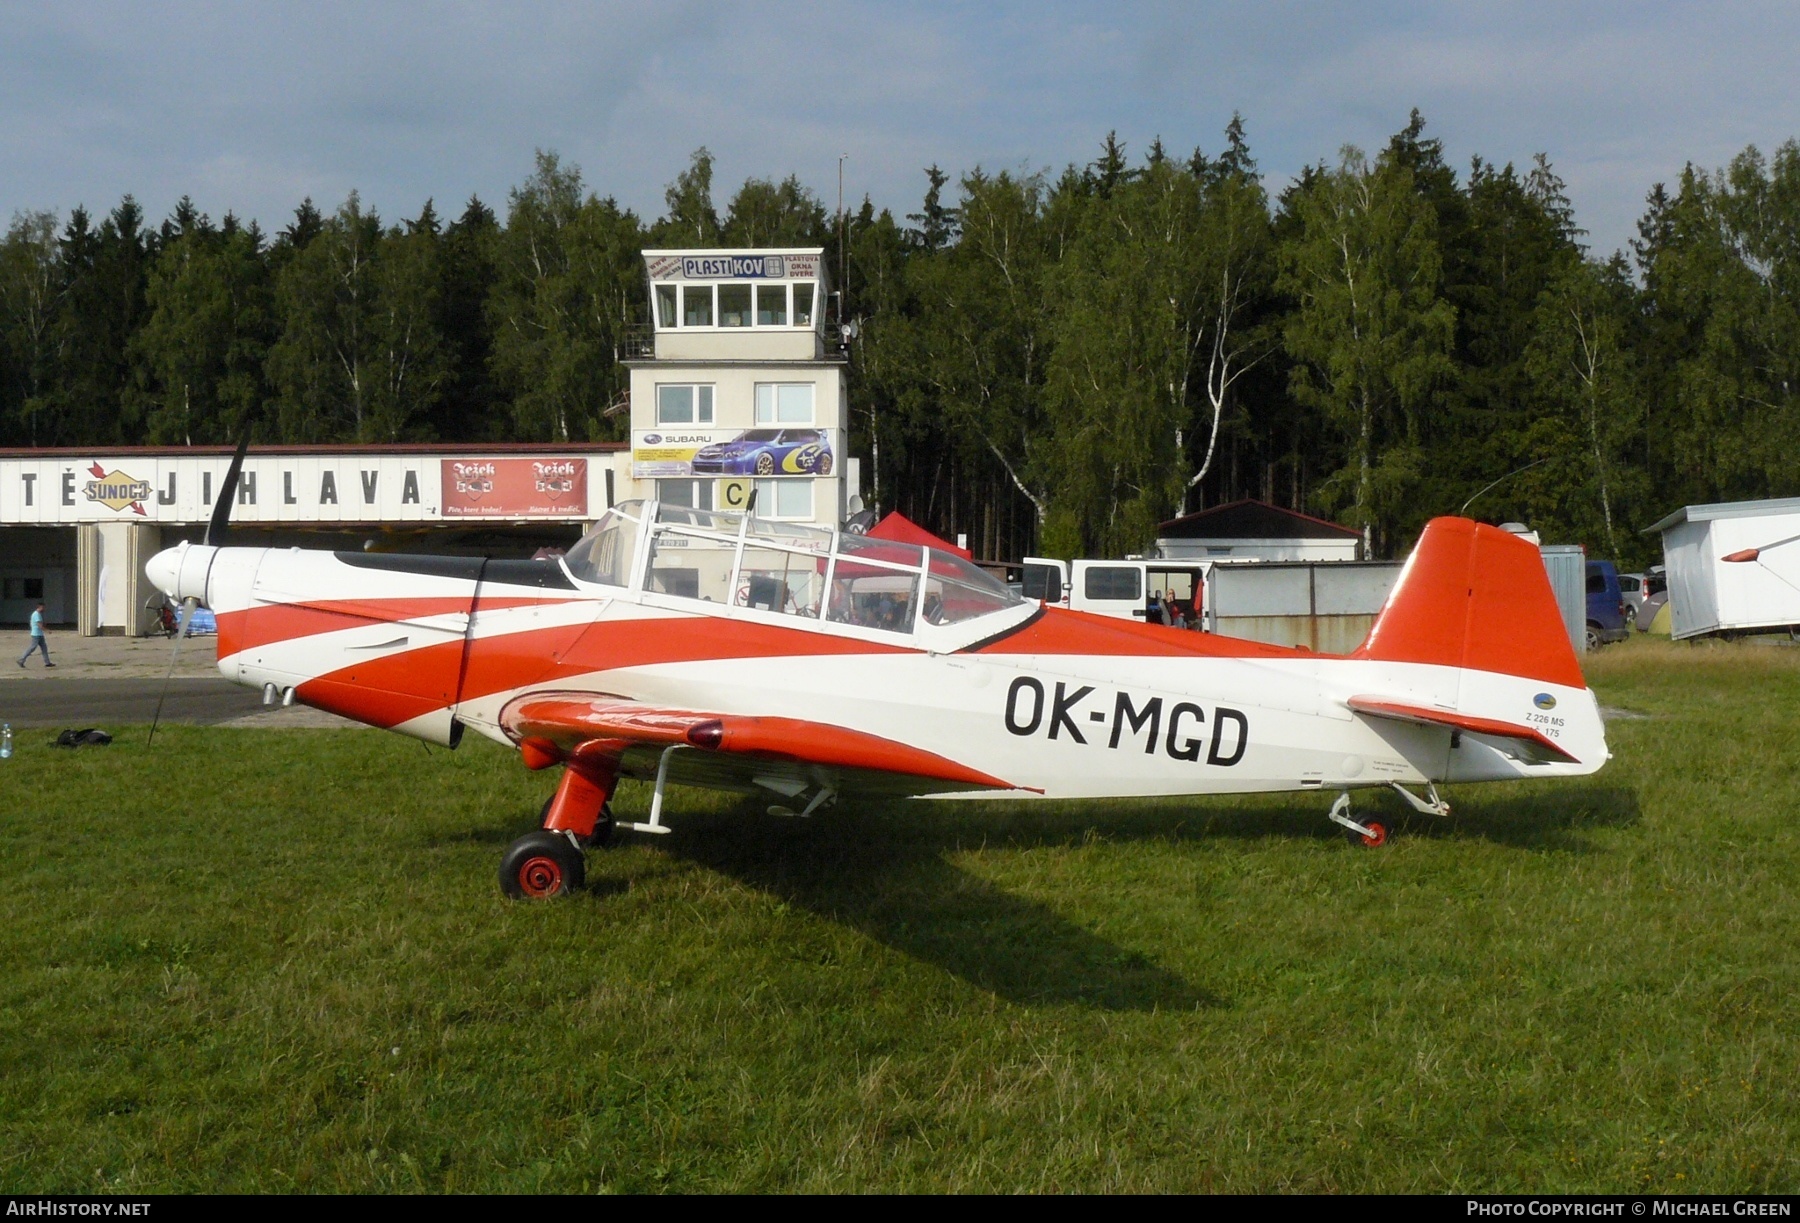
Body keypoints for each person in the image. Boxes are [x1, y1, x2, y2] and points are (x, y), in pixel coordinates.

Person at [17, 602, 53, 668]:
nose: (44, 609)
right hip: (36, 634)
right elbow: (39, 625)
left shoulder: (38, 614)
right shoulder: (36, 614)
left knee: (44, 648)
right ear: (39, 607)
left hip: (39, 634)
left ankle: (47, 662)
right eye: (43, 607)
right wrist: (47, 630)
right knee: (32, 648)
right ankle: (21, 660)